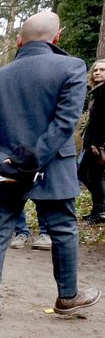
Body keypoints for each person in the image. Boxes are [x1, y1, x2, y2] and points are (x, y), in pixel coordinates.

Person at [0, 10, 99, 324]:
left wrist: (6, 164)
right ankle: (67, 297)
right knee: (64, 231)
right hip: (53, 166)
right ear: (58, 37)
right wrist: (34, 161)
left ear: (18, 40)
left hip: (6, 172)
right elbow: (65, 123)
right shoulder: (72, 67)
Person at [77, 59, 105, 223]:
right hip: (91, 142)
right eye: (95, 70)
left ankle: (101, 211)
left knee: (91, 175)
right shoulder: (97, 91)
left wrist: (100, 143)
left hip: (97, 143)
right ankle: (98, 210)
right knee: (91, 175)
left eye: (102, 70)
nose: (97, 72)